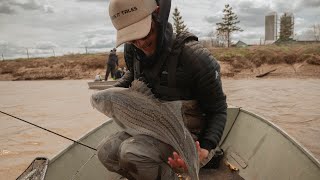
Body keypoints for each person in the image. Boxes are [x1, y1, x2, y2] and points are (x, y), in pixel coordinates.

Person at [97, 0, 227, 179]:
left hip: (189, 137)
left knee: (131, 153)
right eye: (132, 38)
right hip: (150, 125)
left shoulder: (195, 58)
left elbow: (218, 110)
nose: (140, 43)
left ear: (157, 14)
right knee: (106, 152)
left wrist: (204, 150)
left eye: (145, 33)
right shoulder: (132, 51)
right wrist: (110, 95)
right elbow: (133, 74)